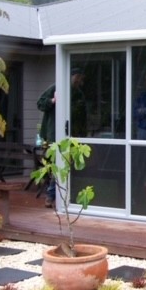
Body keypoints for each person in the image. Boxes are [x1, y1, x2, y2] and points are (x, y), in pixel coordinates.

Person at [36, 67, 87, 208]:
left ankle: (66, 196)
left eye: (81, 79)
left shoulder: (78, 94)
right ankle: (51, 196)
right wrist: (53, 100)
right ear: (71, 76)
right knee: (58, 165)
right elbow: (40, 103)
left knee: (69, 166)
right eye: (78, 78)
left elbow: (82, 116)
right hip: (54, 135)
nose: (79, 81)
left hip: (72, 136)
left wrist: (84, 134)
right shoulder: (56, 88)